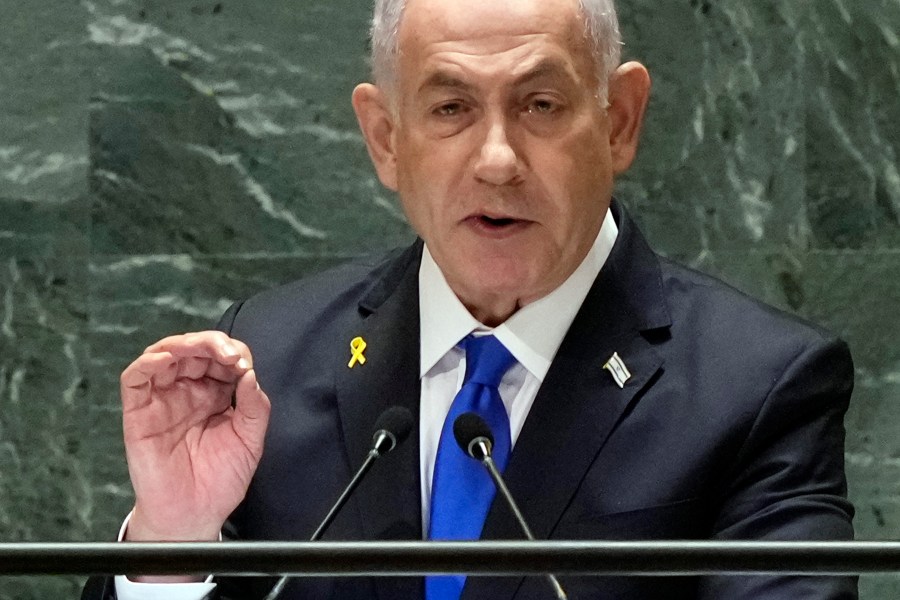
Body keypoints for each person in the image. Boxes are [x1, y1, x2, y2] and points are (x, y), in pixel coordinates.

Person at [82, 0, 857, 598]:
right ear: (386, 138)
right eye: (451, 108)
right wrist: (173, 546)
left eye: (540, 105)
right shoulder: (270, 363)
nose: (496, 159)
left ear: (619, 121)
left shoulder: (757, 387)